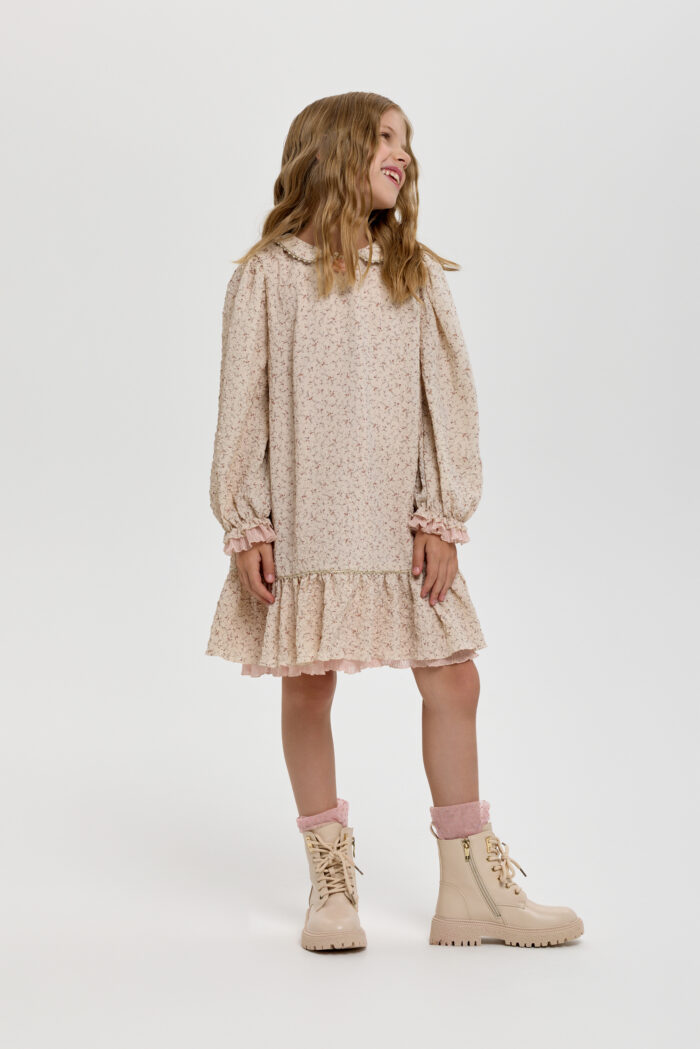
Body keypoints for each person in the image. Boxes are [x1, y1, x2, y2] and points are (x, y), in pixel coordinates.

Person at [205, 92, 584, 951]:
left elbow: (447, 400)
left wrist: (441, 514)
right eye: (384, 137)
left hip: (396, 519)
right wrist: (249, 521)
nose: (401, 153)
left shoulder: (411, 274)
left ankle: (470, 885)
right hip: (307, 518)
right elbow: (243, 405)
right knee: (309, 685)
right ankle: (330, 883)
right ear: (333, 149)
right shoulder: (268, 275)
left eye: (405, 141)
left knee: (454, 679)